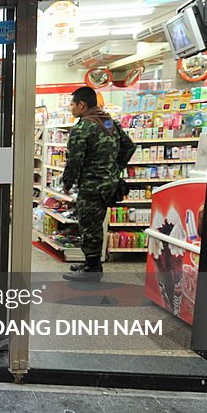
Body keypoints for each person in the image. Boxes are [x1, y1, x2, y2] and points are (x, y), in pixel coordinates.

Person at [61, 87, 136, 281]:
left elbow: (74, 160)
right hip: (108, 184)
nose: (71, 108)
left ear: (82, 105)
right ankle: (89, 262)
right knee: (95, 223)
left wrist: (67, 183)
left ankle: (92, 269)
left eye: (72, 104)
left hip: (91, 185)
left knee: (89, 224)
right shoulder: (109, 121)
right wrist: (113, 168)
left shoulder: (83, 127)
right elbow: (129, 146)